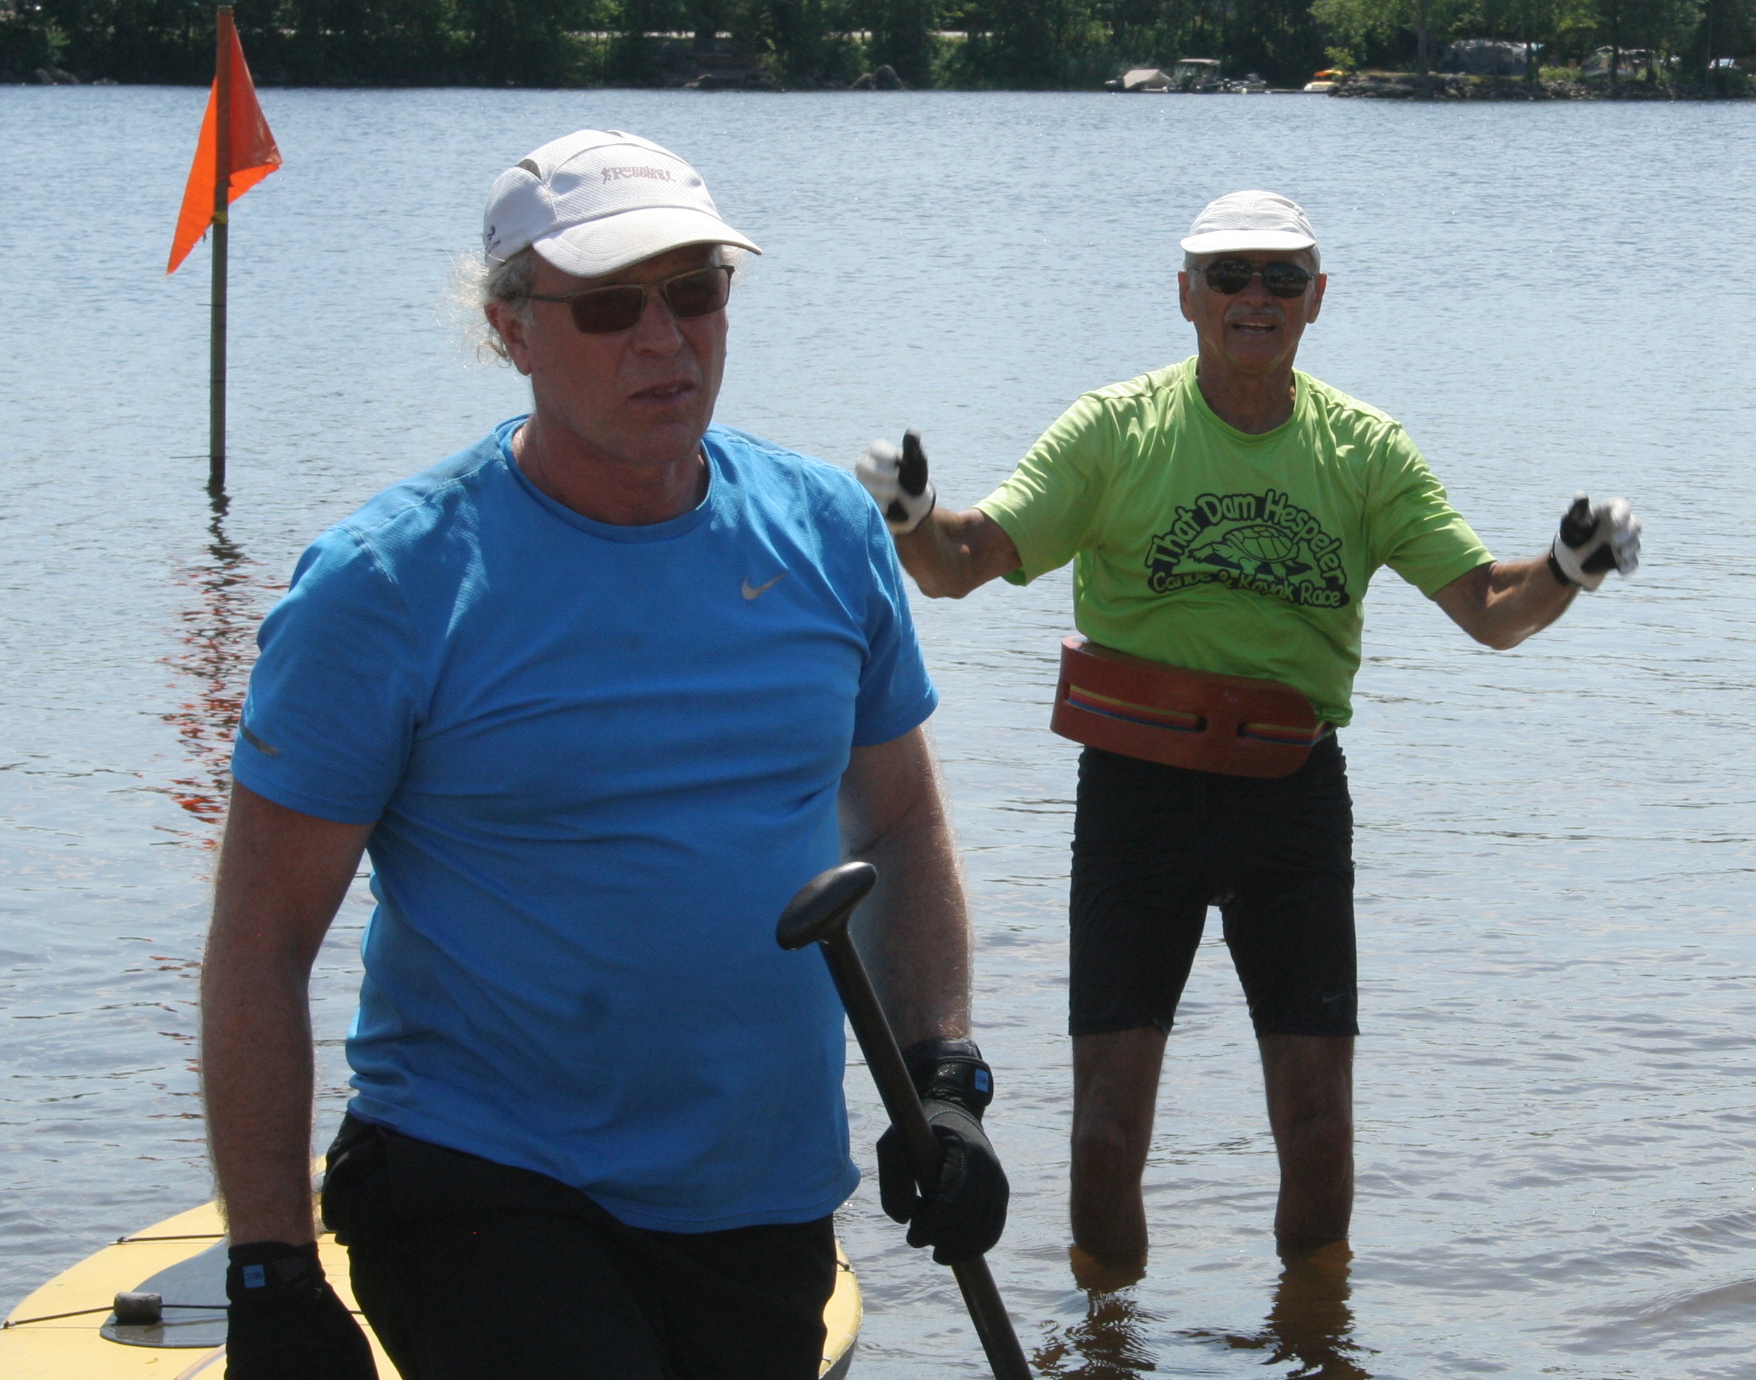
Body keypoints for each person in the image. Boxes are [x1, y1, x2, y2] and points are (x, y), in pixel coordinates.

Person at [198, 130, 1007, 1380]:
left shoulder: (830, 533)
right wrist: (271, 1271)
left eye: (695, 290)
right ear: (510, 328)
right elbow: (260, 942)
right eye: (611, 305)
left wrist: (943, 1072)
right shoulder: (385, 586)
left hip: (756, 1191)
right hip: (479, 1180)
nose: (665, 337)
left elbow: (898, 823)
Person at [855, 189, 1639, 1270]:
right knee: (1104, 1134)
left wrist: (1567, 565)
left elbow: (1491, 610)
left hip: (1293, 797)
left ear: (1318, 297)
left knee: (1319, 1131)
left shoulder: (1366, 451)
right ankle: (1109, 1334)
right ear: (1187, 294)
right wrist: (909, 511)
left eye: (1282, 276)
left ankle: (1312, 1335)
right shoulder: (1115, 431)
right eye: (1229, 275)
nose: (1255, 296)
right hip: (1136, 799)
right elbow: (959, 563)